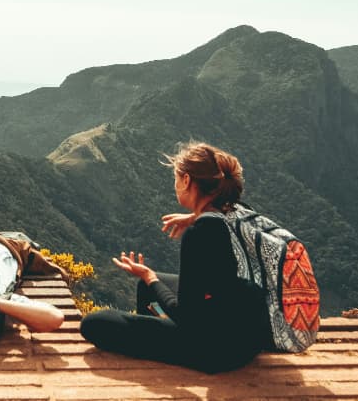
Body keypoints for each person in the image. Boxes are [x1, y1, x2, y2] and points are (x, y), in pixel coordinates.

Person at [80, 141, 271, 373]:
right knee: (146, 287)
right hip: (249, 337)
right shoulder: (238, 211)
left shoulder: (199, 234)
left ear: (187, 180)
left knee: (94, 324)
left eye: (177, 178)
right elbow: (219, 218)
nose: (176, 184)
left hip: (217, 352)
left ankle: (164, 336)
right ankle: (160, 331)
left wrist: (150, 276)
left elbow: (186, 316)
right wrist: (194, 215)